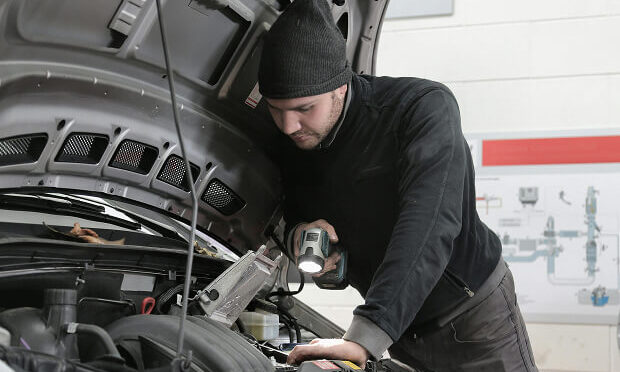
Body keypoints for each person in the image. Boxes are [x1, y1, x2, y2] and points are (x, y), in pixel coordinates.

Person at [258, 1, 538, 371]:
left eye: (304, 109)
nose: (289, 126)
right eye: (277, 110)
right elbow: (295, 210)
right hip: (402, 330)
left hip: (474, 319)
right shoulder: (293, 142)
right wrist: (299, 237)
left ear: (340, 87)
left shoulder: (420, 110)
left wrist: (366, 334)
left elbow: (429, 225)